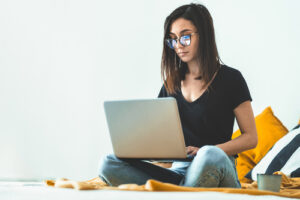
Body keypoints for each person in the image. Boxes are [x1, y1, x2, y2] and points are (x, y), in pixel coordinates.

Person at [98, 3, 257, 188]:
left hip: (217, 165)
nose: (178, 45)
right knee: (108, 162)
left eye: (185, 37)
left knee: (208, 154)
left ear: (204, 35)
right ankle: (181, 189)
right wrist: (153, 155)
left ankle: (178, 190)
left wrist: (206, 151)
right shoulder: (171, 83)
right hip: (180, 170)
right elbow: (162, 141)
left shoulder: (231, 79)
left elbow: (251, 137)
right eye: (173, 39)